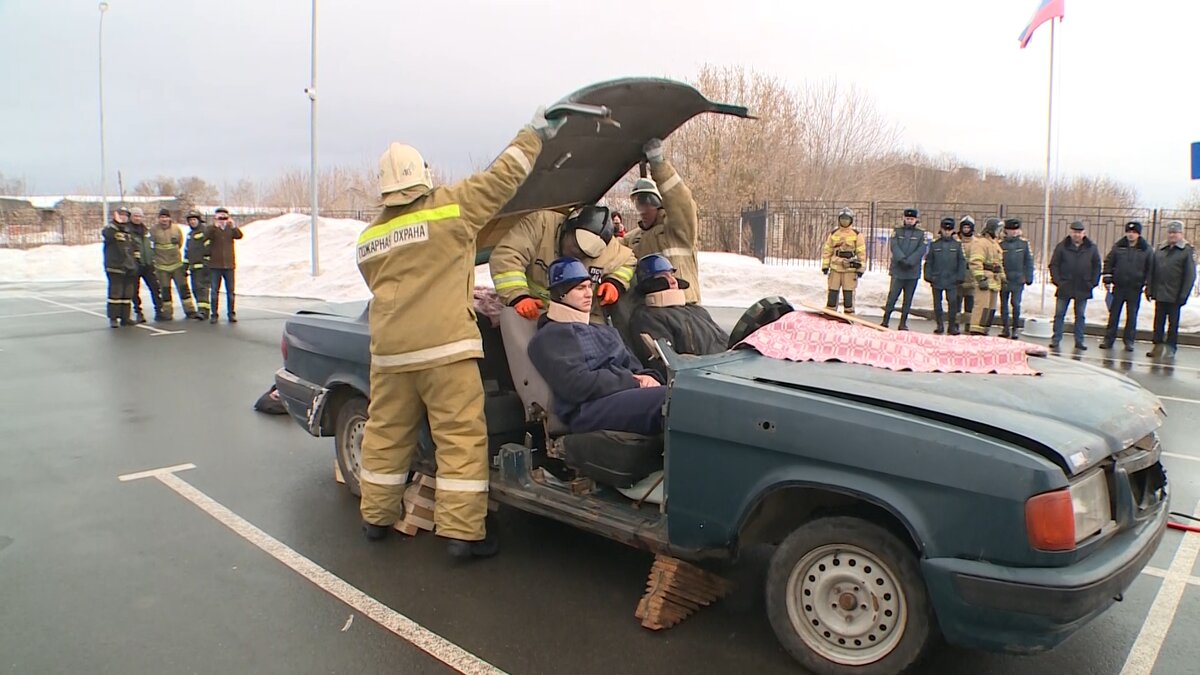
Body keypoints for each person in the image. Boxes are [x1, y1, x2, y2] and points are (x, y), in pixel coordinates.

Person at [355, 108, 555, 557]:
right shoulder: (450, 207)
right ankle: (463, 537)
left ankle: (375, 518)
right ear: (422, 175)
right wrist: (533, 135)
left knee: (385, 435)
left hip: (389, 353)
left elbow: (379, 285)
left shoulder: (369, 236)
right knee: (460, 438)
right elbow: (504, 178)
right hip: (445, 349)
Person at [528, 257, 666, 435]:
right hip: (586, 409)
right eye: (580, 288)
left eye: (588, 287)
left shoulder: (604, 330)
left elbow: (635, 368)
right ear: (560, 293)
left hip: (620, 396)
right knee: (670, 402)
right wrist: (631, 380)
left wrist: (647, 377)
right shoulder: (550, 336)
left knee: (684, 395)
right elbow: (576, 385)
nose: (588, 294)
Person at [489, 205, 635, 323]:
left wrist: (615, 282)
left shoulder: (609, 248)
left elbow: (629, 260)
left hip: (583, 318)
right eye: (574, 246)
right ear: (567, 226)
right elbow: (506, 256)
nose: (576, 255)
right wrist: (518, 296)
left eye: (584, 255)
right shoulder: (541, 224)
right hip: (536, 311)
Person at [627, 254, 728, 377]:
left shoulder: (697, 310)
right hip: (702, 380)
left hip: (726, 371)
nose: (673, 281)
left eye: (672, 274)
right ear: (649, 283)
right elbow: (666, 367)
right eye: (664, 277)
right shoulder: (647, 318)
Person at [627, 139, 702, 304]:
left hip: (685, 307)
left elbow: (682, 202)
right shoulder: (632, 239)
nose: (645, 209)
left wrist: (658, 164)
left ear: (661, 203)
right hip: (651, 310)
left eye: (650, 201)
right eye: (640, 203)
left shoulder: (678, 230)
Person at [1145, 220, 1197, 360]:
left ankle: (1170, 348)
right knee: (1158, 322)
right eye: (1170, 232)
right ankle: (1157, 347)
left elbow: (1190, 275)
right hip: (1160, 293)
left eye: (1175, 233)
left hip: (1175, 295)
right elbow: (1152, 270)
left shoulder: (1186, 251)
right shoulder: (1160, 249)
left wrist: (1184, 294)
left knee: (1173, 324)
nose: (1172, 235)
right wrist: (1149, 288)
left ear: (1181, 234)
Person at [1048, 221, 1101, 351]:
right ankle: (1056, 339)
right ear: (1070, 232)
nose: (1077, 235)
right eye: (1074, 232)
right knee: (1059, 314)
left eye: (1079, 232)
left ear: (1084, 233)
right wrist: (1058, 281)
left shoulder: (1091, 248)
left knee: (1080, 315)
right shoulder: (1062, 247)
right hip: (1065, 285)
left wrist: (1092, 283)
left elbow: (1097, 266)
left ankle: (1079, 341)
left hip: (1083, 286)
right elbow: (1054, 264)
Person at [1100, 220, 1152, 352]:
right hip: (1119, 286)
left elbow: (1150, 268)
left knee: (1132, 315)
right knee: (1114, 314)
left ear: (1138, 234)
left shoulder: (1145, 249)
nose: (1131, 235)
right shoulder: (1119, 247)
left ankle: (1129, 341)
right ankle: (1108, 339)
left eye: (1134, 232)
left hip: (1135, 287)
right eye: (1129, 232)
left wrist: (1147, 284)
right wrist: (1107, 277)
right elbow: (1109, 262)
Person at [881, 208, 927, 330]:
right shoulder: (897, 231)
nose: (909, 221)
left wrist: (910, 261)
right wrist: (901, 259)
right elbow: (894, 246)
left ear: (916, 219)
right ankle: (885, 320)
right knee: (892, 297)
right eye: (907, 218)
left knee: (908, 299)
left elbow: (921, 250)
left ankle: (903, 323)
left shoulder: (921, 234)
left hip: (912, 271)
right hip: (898, 269)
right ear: (904, 218)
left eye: (912, 219)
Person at [150, 208, 198, 320]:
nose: (164, 219)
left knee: (183, 289)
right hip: (161, 266)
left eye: (166, 217)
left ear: (169, 218)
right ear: (159, 218)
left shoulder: (176, 229)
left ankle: (190, 310)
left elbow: (180, 243)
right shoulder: (153, 230)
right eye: (162, 217)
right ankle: (167, 313)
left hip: (176, 265)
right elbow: (150, 246)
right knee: (165, 291)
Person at [923, 217, 966, 334]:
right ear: (941, 230)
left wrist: (960, 276)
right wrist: (928, 275)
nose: (947, 232)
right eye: (944, 229)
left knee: (952, 303)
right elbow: (929, 261)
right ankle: (939, 325)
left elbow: (962, 262)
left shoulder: (957, 245)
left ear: (953, 231)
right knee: (937, 304)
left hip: (952, 279)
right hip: (937, 278)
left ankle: (952, 326)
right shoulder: (934, 245)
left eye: (949, 229)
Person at [820, 207, 866, 314]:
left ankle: (849, 316)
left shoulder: (856, 235)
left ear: (851, 220)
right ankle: (830, 314)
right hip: (835, 268)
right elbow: (828, 250)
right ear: (839, 219)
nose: (844, 221)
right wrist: (825, 266)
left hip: (849, 269)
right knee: (832, 293)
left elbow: (861, 253)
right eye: (842, 218)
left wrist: (861, 269)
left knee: (848, 295)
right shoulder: (834, 234)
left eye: (847, 219)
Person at [102, 206, 138, 327]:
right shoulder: (111, 229)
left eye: (125, 215)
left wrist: (136, 262)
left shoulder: (128, 231)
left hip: (129, 267)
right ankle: (113, 318)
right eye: (121, 214)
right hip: (115, 266)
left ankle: (125, 317)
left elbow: (134, 247)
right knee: (115, 294)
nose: (123, 217)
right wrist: (116, 223)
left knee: (127, 294)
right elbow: (107, 234)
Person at [969, 218, 1006, 335]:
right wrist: (980, 278)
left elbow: (999, 264)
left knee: (990, 308)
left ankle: (985, 328)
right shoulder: (981, 243)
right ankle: (976, 329)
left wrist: (1003, 277)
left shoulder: (995, 245)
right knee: (981, 306)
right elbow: (975, 261)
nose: (1000, 233)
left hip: (994, 281)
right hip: (985, 279)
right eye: (999, 230)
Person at [999, 218, 1035, 339]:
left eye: (1016, 229)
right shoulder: (1000, 245)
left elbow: (1029, 261)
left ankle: (1015, 328)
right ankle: (1005, 328)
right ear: (1006, 231)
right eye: (1011, 230)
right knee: (1004, 305)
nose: (1014, 232)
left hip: (1018, 279)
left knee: (1016, 303)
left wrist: (1028, 277)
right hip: (1004, 278)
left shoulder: (1024, 244)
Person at [207, 207, 243, 323]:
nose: (222, 220)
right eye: (220, 217)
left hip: (229, 265)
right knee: (214, 292)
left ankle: (231, 314)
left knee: (231, 292)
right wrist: (215, 226)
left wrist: (233, 226)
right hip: (215, 265)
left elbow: (239, 236)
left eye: (224, 217)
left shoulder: (230, 229)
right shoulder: (212, 229)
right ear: (215, 218)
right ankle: (214, 314)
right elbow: (206, 236)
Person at [128, 206, 162, 323]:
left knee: (155, 288)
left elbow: (150, 245)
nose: (137, 218)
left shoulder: (146, 230)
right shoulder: (127, 230)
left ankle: (159, 310)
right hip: (134, 265)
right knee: (135, 291)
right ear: (131, 217)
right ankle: (138, 312)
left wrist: (153, 259)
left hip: (148, 264)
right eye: (135, 216)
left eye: (139, 216)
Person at [955, 216, 981, 334]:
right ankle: (955, 323)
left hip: (971, 277)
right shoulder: (956, 241)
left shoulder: (976, 242)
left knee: (969, 303)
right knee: (956, 303)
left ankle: (968, 324)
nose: (966, 230)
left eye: (968, 227)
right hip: (957, 276)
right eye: (964, 227)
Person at [184, 210, 212, 321]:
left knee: (202, 289)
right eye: (190, 220)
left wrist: (206, 263)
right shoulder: (190, 235)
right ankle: (201, 309)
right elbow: (187, 251)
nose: (192, 222)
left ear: (199, 220)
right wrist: (184, 265)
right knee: (195, 289)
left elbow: (208, 248)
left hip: (203, 267)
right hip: (193, 267)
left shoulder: (205, 231)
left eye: (194, 219)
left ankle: (204, 311)